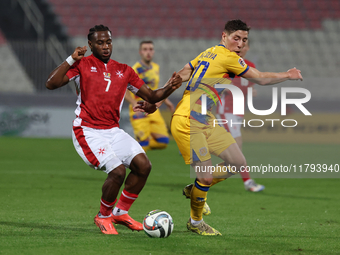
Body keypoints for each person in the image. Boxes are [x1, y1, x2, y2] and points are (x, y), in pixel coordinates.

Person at [155, 19, 301, 236]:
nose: (240, 44)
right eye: (236, 39)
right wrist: (287, 75)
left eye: (244, 40)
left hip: (206, 119)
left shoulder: (209, 52)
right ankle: (195, 222)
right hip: (189, 120)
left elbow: (181, 74)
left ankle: (194, 190)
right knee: (205, 178)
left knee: (237, 162)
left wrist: (158, 97)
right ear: (224, 36)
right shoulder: (228, 57)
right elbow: (259, 78)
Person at [45, 25, 182, 235]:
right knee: (117, 171)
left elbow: (152, 96)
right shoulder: (82, 65)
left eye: (108, 42)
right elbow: (51, 83)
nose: (106, 46)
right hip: (88, 131)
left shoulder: (124, 70)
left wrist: (172, 86)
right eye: (100, 43)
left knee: (143, 166)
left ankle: (120, 213)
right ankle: (103, 216)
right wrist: (72, 58)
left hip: (113, 130)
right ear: (90, 45)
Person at [215, 40, 265, 192]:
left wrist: (251, 92)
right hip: (226, 111)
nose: (241, 48)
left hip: (237, 112)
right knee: (236, 151)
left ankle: (198, 151)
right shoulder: (229, 64)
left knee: (233, 154)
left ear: (247, 48)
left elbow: (249, 88)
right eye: (239, 46)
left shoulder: (250, 66)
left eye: (244, 46)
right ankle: (248, 182)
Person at [125, 40, 174, 152]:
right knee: (144, 145)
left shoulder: (156, 67)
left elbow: (155, 89)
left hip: (153, 109)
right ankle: (135, 149)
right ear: (140, 52)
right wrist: (133, 103)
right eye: (145, 49)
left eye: (151, 49)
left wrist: (166, 101)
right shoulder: (135, 69)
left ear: (154, 51)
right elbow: (124, 89)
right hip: (139, 108)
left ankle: (135, 145)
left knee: (163, 142)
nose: (148, 52)